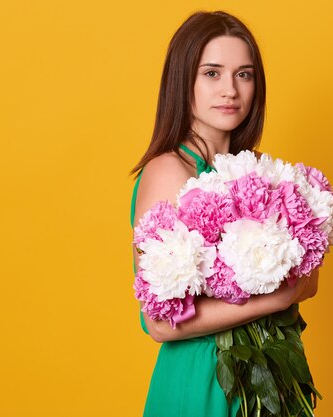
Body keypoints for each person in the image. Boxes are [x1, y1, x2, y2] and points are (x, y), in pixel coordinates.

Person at [130, 11, 319, 417]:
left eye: (244, 74)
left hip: (272, 379)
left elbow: (311, 277)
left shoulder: (260, 172)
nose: (230, 90)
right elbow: (159, 322)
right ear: (184, 82)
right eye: (212, 73)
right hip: (205, 380)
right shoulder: (169, 172)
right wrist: (275, 297)